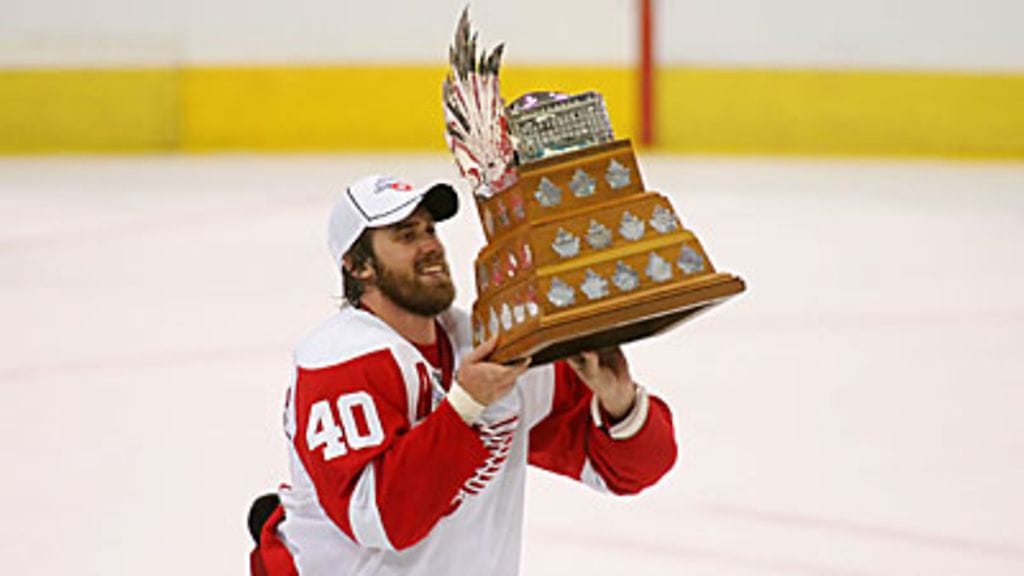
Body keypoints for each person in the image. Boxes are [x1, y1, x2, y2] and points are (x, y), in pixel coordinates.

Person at [251, 174, 678, 576]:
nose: (430, 245)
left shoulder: (486, 346)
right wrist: (465, 407)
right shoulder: (340, 360)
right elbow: (384, 520)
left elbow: (626, 471)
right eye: (406, 235)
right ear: (358, 266)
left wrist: (619, 402)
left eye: (429, 230)